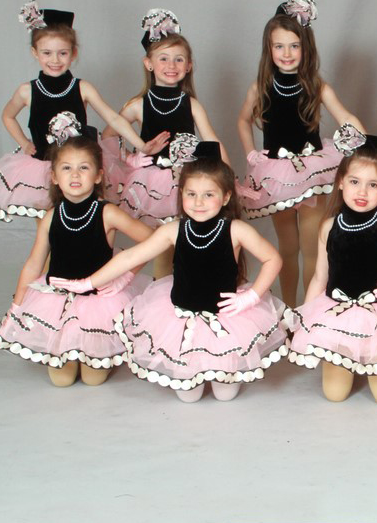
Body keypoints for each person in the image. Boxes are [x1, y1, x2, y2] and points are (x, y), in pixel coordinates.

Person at [52, 144, 288, 402]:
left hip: (225, 318)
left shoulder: (236, 230)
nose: (199, 202)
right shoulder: (173, 230)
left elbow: (273, 259)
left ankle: (221, 370)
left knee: (225, 394)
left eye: (209, 194)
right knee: (188, 396)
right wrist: (88, 282)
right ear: (181, 193)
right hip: (180, 318)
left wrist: (251, 297)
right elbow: (130, 257)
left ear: (226, 197)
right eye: (191, 194)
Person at [0, 128, 154, 386]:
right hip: (58, 301)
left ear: (98, 175)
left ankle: (97, 352)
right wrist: (17, 306)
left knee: (92, 379)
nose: (75, 174)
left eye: (84, 168)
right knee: (62, 380)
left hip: (98, 302)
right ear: (54, 177)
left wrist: (125, 277)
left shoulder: (107, 213)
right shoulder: (50, 217)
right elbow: (33, 264)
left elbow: (153, 241)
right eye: (66, 168)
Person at [0, 2, 160, 222]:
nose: (55, 60)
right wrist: (24, 143)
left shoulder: (82, 88)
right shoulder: (27, 91)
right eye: (47, 53)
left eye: (62, 53)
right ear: (35, 53)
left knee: (84, 216)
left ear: (73, 53)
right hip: (44, 167)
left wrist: (141, 145)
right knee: (48, 223)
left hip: (80, 167)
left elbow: (113, 118)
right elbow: (7, 116)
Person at [237, 0, 365, 304]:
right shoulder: (261, 87)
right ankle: (289, 307)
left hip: (313, 173)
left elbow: (345, 116)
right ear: (269, 49)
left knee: (312, 248)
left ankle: (309, 310)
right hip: (277, 176)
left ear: (306, 48)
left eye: (294, 46)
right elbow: (242, 120)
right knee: (287, 248)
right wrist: (250, 152)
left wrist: (362, 136)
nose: (287, 53)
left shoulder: (316, 86)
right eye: (279, 46)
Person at [286, 134, 377, 405]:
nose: (362, 192)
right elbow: (320, 277)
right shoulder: (329, 227)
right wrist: (304, 319)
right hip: (337, 312)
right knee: (335, 394)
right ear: (341, 182)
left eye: (372, 184)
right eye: (354, 182)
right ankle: (352, 361)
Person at [105, 10, 225, 278]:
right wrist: (131, 158)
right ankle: (149, 290)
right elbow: (108, 136)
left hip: (185, 181)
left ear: (189, 65)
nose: (171, 65)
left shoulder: (191, 105)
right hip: (149, 182)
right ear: (148, 63)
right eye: (163, 58)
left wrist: (227, 176)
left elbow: (213, 141)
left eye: (179, 59)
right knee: (158, 243)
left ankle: (169, 291)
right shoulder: (138, 105)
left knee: (175, 245)